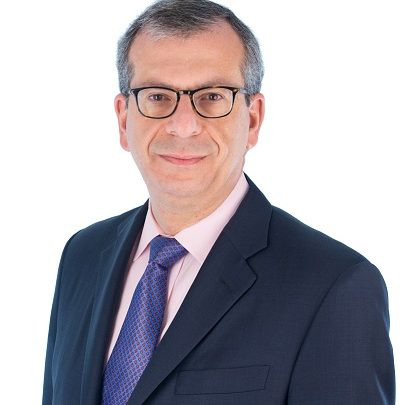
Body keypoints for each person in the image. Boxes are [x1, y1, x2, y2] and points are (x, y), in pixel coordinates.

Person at [42, 0, 395, 404]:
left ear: (253, 119)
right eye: (157, 96)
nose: (183, 126)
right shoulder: (83, 255)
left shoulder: (334, 286)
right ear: (124, 120)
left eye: (212, 97)